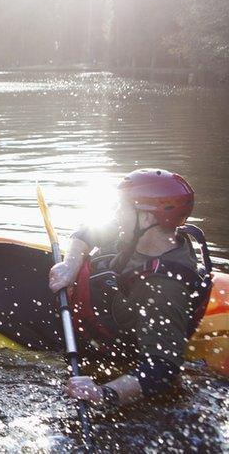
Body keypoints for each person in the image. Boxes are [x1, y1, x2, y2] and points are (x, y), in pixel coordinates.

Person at [48, 169, 212, 408]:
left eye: (121, 208)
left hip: (113, 335)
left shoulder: (163, 288)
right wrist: (70, 264)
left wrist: (103, 393)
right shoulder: (146, 232)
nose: (116, 214)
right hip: (107, 297)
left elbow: (162, 367)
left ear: (146, 218)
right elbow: (91, 228)